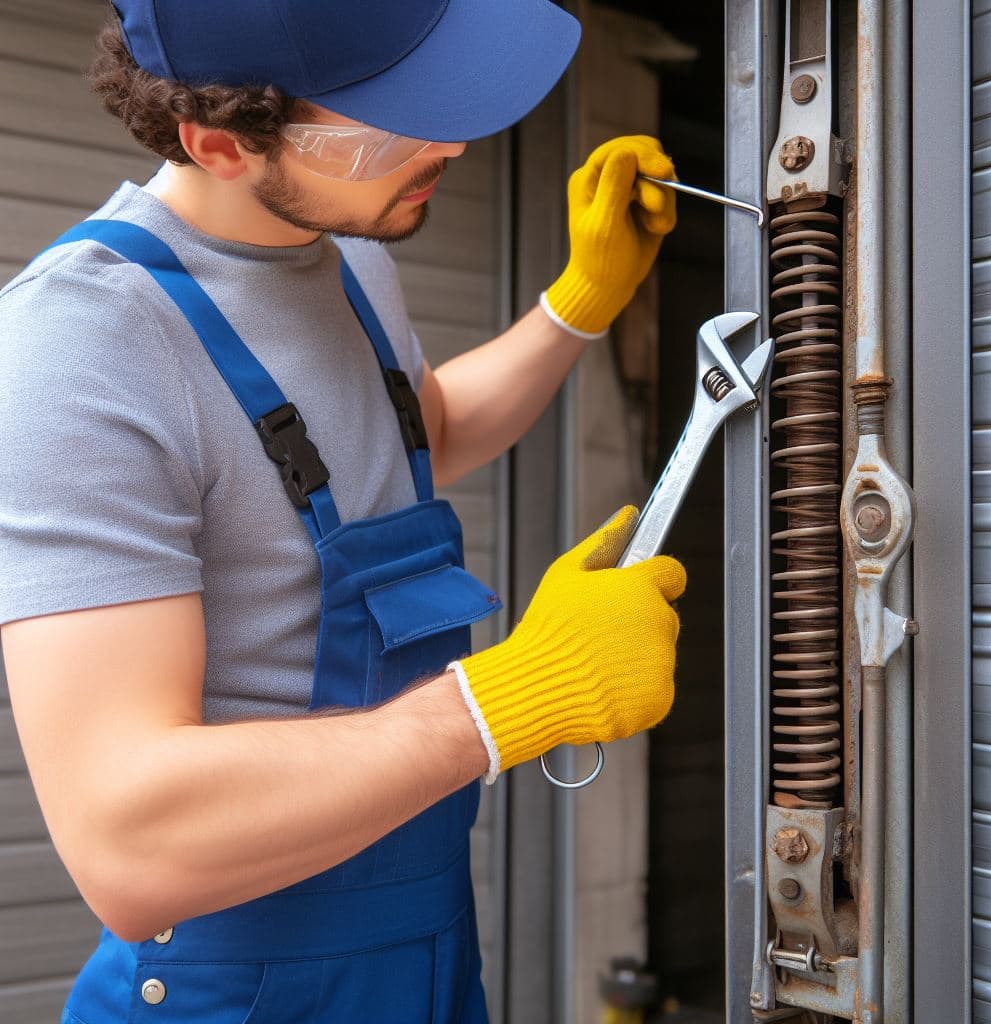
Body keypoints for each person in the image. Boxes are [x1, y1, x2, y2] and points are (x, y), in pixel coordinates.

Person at [0, 2, 686, 1021]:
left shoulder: (349, 251)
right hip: (234, 990)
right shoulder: (83, 346)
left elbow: (421, 429)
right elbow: (130, 839)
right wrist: (509, 698)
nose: (448, 142)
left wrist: (574, 304)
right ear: (219, 144)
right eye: (387, 123)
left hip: (424, 948)